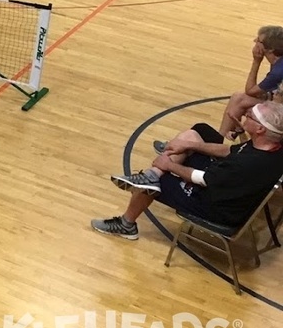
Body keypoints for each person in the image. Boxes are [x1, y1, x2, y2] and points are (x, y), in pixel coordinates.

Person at [91, 102, 283, 240]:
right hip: (226, 186)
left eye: (250, 116)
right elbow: (229, 150)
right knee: (196, 132)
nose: (246, 114)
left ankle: (126, 225)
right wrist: (189, 144)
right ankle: (153, 174)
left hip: (215, 207)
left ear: (259, 129)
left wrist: (169, 165)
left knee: (156, 183)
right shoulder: (270, 145)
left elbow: (203, 179)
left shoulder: (248, 163)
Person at [217, 25, 283, 140]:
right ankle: (225, 136)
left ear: (270, 49)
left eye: (258, 40)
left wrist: (256, 61)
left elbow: (251, 90)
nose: (255, 41)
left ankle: (219, 140)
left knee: (241, 101)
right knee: (238, 98)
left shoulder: (278, 71)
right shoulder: (278, 62)